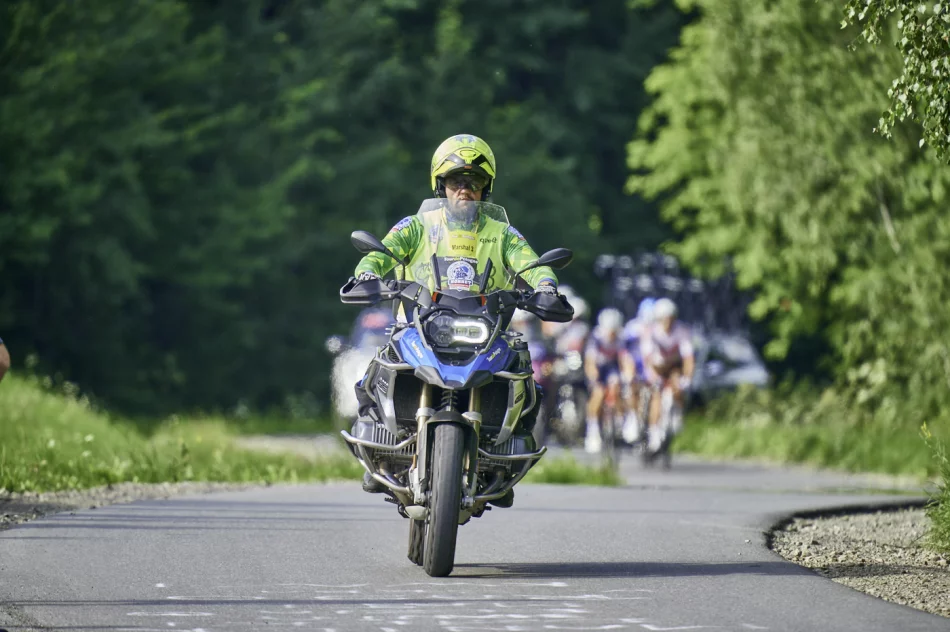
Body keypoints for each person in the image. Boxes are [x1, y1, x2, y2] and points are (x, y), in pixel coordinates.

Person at [350, 134, 562, 494]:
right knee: (379, 364)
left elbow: (531, 263)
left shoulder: (502, 233)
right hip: (421, 322)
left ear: (486, 189)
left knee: (524, 374)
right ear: (441, 185)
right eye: (456, 181)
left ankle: (499, 453)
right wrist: (368, 272)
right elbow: (383, 252)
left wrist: (545, 286)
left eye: (474, 182)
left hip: (485, 327)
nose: (465, 189)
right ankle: (377, 443)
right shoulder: (416, 225)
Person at [640, 297, 695, 452]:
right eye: (664, 319)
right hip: (657, 367)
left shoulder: (682, 332)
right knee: (657, 395)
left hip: (675, 366)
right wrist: (653, 377)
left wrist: (688, 378)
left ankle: (677, 414)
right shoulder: (650, 332)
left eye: (670, 319)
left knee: (678, 384)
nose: (667, 322)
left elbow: (689, 359)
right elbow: (648, 359)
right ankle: (654, 433)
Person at [582, 307, 626, 453]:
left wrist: (628, 374)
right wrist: (594, 378)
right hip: (598, 369)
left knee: (617, 387)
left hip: (612, 369)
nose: (612, 334)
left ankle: (619, 422)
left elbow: (625, 359)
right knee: (598, 393)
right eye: (610, 330)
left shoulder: (621, 338)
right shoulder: (595, 337)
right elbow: (590, 362)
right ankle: (592, 431)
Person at [619, 298, 655, 444]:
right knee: (632, 387)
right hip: (635, 363)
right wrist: (628, 369)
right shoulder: (633, 327)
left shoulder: (659, 328)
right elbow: (624, 351)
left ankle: (655, 427)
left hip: (652, 365)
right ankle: (633, 417)